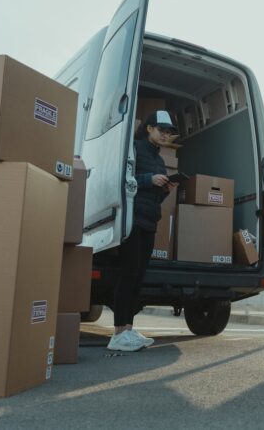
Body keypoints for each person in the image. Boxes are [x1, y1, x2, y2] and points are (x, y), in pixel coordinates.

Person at [107, 110, 178, 352]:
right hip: (132, 219)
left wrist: (165, 188)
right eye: (161, 130)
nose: (165, 135)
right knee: (128, 274)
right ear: (149, 128)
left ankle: (128, 329)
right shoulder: (134, 148)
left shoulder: (159, 160)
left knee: (138, 275)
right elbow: (122, 178)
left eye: (168, 132)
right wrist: (149, 180)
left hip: (150, 220)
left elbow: (154, 196)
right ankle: (117, 333)